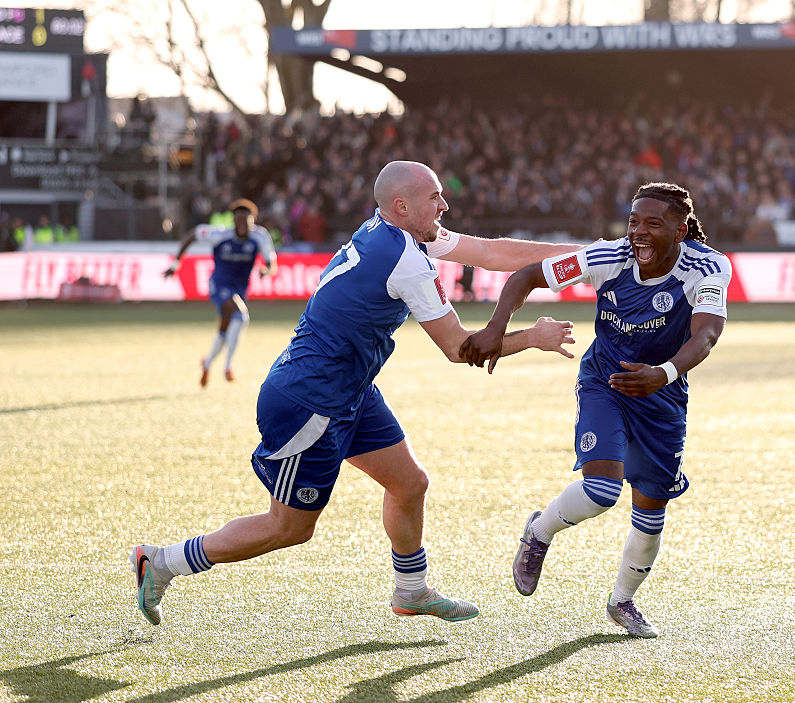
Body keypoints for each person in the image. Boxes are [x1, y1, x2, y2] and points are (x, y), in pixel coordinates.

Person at [133, 161, 581, 626]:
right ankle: (161, 562)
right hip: (311, 400)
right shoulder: (406, 258)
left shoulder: (393, 228)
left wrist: (588, 256)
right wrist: (532, 337)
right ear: (403, 206)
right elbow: (458, 348)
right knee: (289, 527)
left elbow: (490, 252)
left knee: (410, 483)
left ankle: (412, 591)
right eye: (435, 198)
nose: (445, 206)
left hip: (350, 390)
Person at [462, 182, 731, 638]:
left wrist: (663, 373)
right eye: (633, 222)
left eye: (653, 224)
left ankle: (622, 601)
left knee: (651, 510)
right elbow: (526, 277)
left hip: (662, 395)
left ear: (681, 230)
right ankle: (539, 532)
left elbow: (704, 335)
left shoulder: (707, 266)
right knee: (602, 491)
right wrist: (495, 328)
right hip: (604, 382)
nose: (639, 233)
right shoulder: (606, 256)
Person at [163, 198, 278, 386]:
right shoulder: (220, 235)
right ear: (233, 221)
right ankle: (228, 367)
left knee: (226, 326)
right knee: (241, 317)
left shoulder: (260, 236)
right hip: (219, 285)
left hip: (240, 289)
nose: (242, 225)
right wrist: (177, 263)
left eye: (246, 221)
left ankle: (207, 363)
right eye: (238, 221)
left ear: (252, 221)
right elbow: (192, 235)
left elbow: (271, 264)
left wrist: (266, 270)